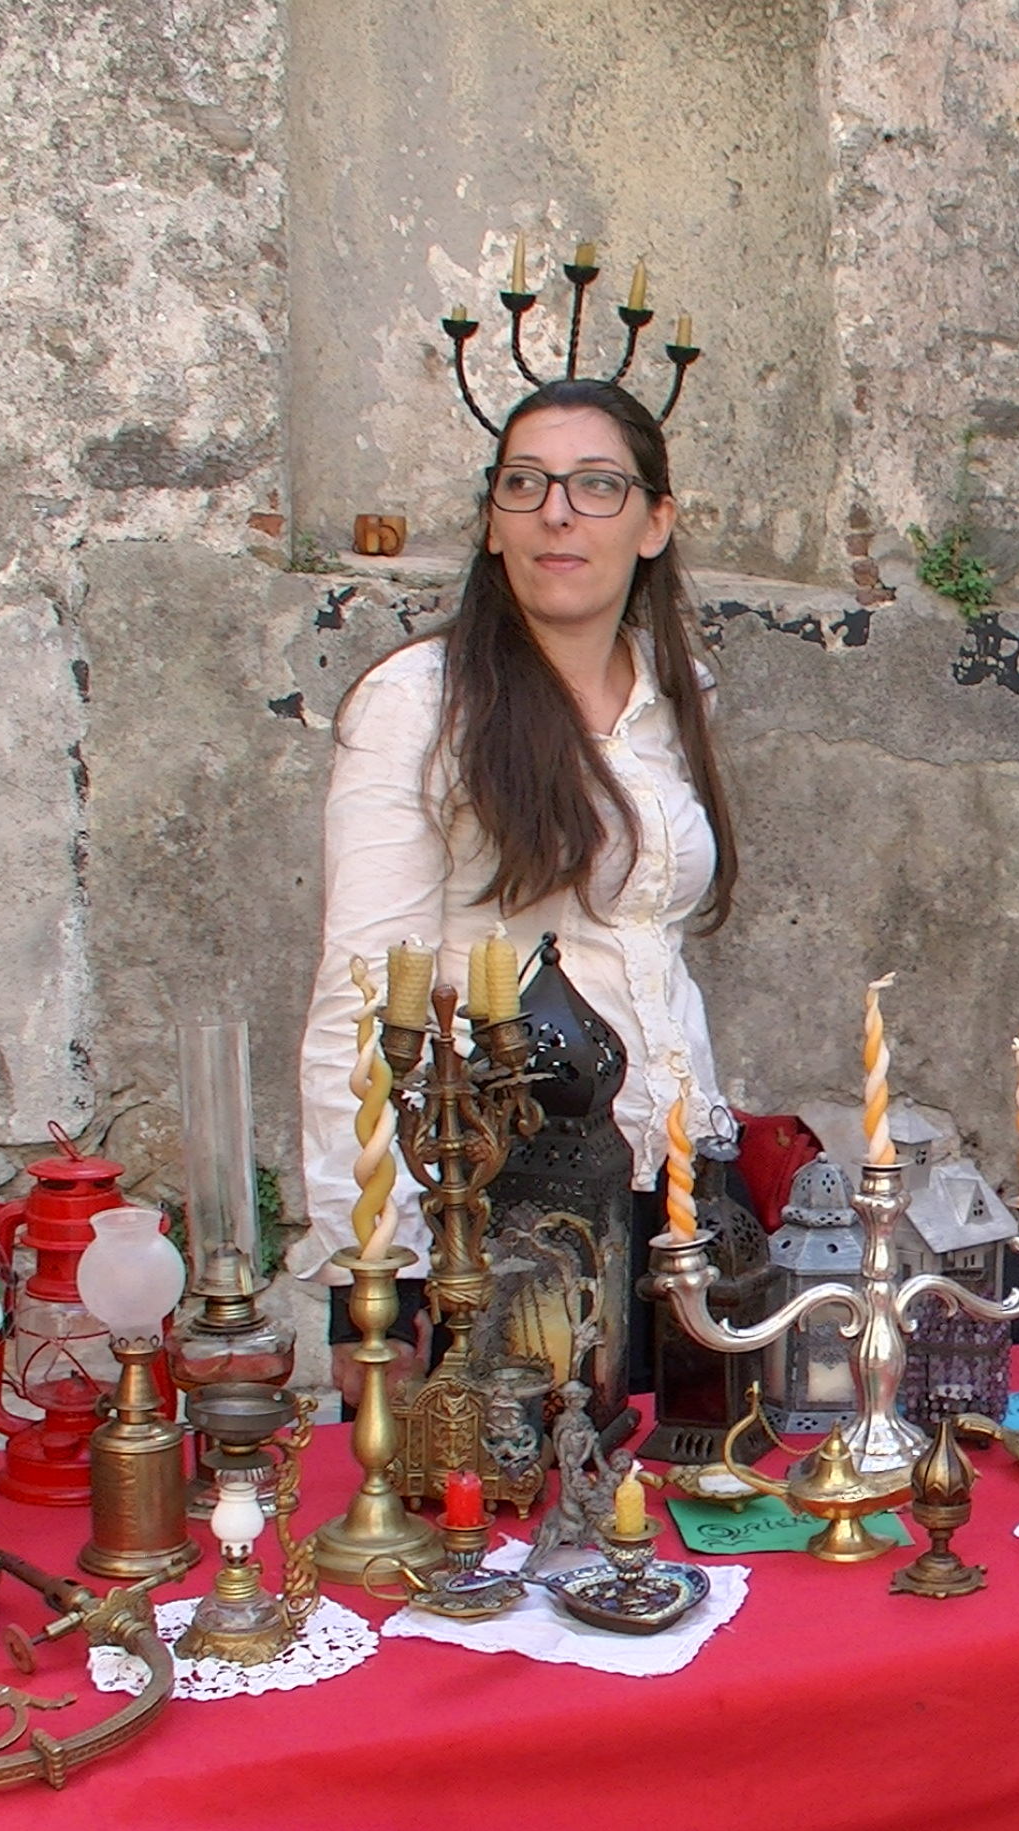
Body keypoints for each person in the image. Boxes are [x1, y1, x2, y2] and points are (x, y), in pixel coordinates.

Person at [294, 377, 735, 1384]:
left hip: (674, 1183)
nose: (557, 514)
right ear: (493, 524)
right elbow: (363, 994)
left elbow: (651, 951)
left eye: (596, 485)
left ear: (655, 523)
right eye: (525, 484)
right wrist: (374, 1274)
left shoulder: (677, 693)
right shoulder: (421, 704)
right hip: (495, 1198)